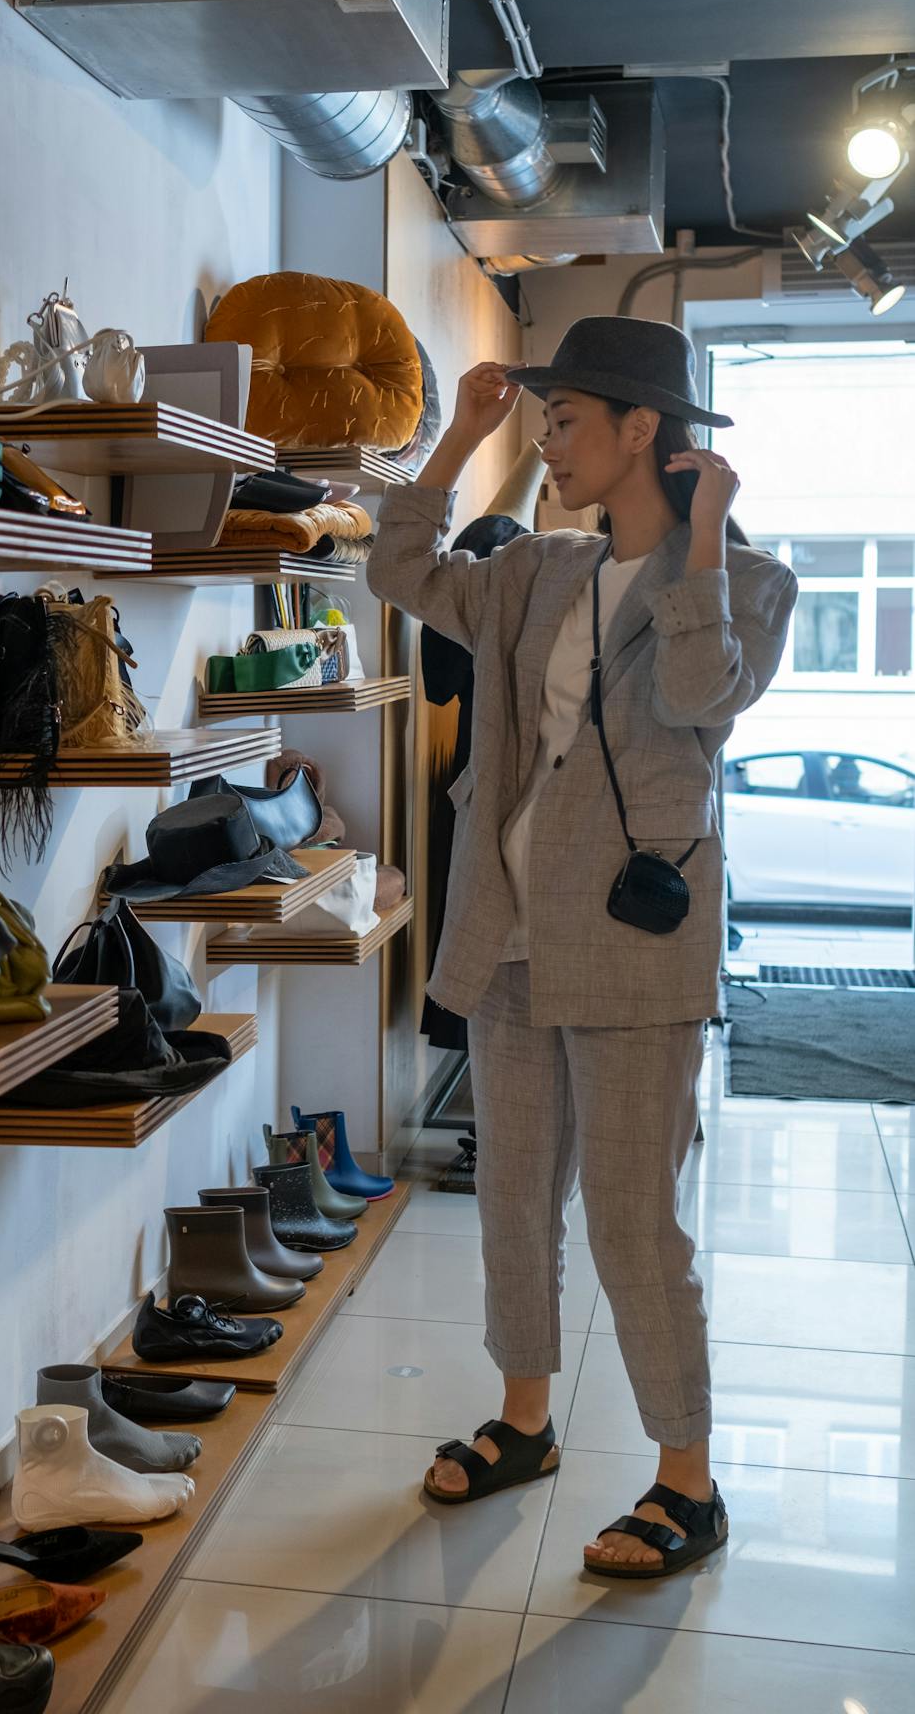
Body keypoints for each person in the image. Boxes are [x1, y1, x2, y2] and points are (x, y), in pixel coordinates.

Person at [367, 315, 797, 1579]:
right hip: (505, 931)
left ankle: (688, 1482)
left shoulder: (753, 581)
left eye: (563, 422)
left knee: (629, 1218)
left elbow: (702, 694)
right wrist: (457, 437)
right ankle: (525, 1419)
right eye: (543, 421)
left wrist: (704, 538)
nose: (547, 443)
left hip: (631, 940)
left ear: (640, 430)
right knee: (515, 1194)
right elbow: (400, 572)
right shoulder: (534, 568)